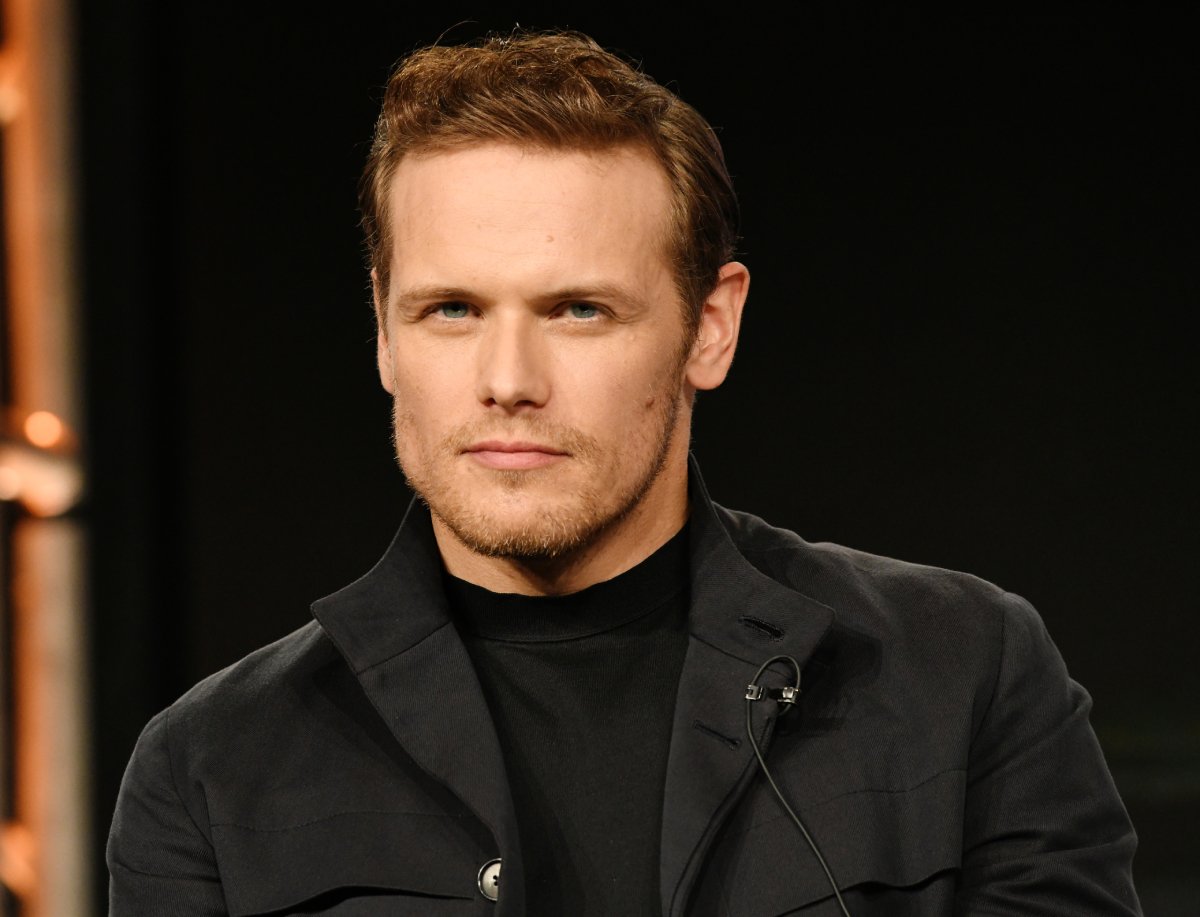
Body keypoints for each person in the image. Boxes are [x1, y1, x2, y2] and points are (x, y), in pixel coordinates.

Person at [107, 31, 1141, 916]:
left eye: (579, 310)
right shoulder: (211, 768)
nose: (508, 381)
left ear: (710, 327)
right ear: (383, 329)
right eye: (452, 309)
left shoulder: (963, 676)